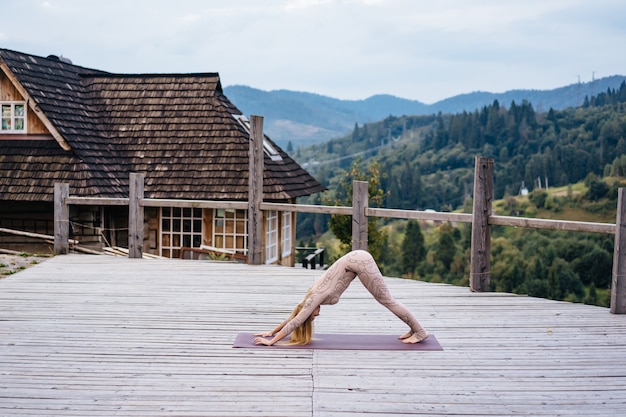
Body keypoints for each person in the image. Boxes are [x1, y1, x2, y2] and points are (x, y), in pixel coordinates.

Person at [254, 249, 429, 346]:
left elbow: (297, 320)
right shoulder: (309, 300)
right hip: (355, 260)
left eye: (313, 315)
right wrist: (271, 331)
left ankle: (420, 331)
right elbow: (295, 315)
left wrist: (271, 342)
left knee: (386, 300)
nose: (317, 315)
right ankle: (413, 329)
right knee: (386, 300)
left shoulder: (314, 297)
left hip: (360, 261)